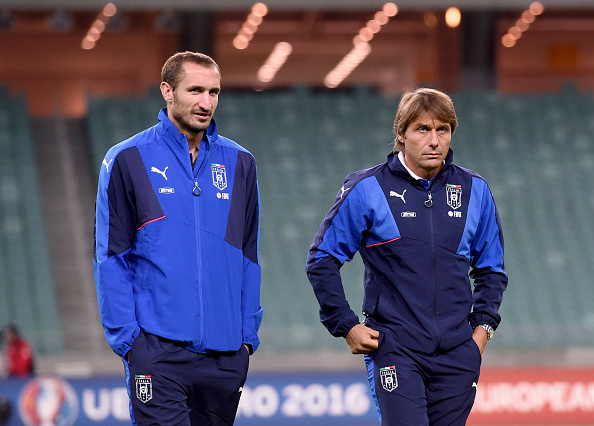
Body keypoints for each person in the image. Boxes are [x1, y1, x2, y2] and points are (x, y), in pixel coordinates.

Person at [306, 87, 507, 425]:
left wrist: (481, 332)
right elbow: (322, 259)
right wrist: (346, 325)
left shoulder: (476, 190)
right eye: (422, 129)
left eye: (442, 129)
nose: (434, 140)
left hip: (459, 353)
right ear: (400, 134)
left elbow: (492, 270)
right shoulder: (367, 189)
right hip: (395, 348)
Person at [93, 51, 263, 426]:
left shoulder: (241, 163)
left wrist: (247, 337)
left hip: (225, 357)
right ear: (167, 91)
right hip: (157, 353)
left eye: (214, 92)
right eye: (195, 90)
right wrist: (131, 344)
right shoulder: (127, 159)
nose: (206, 103)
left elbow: (249, 257)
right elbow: (111, 258)